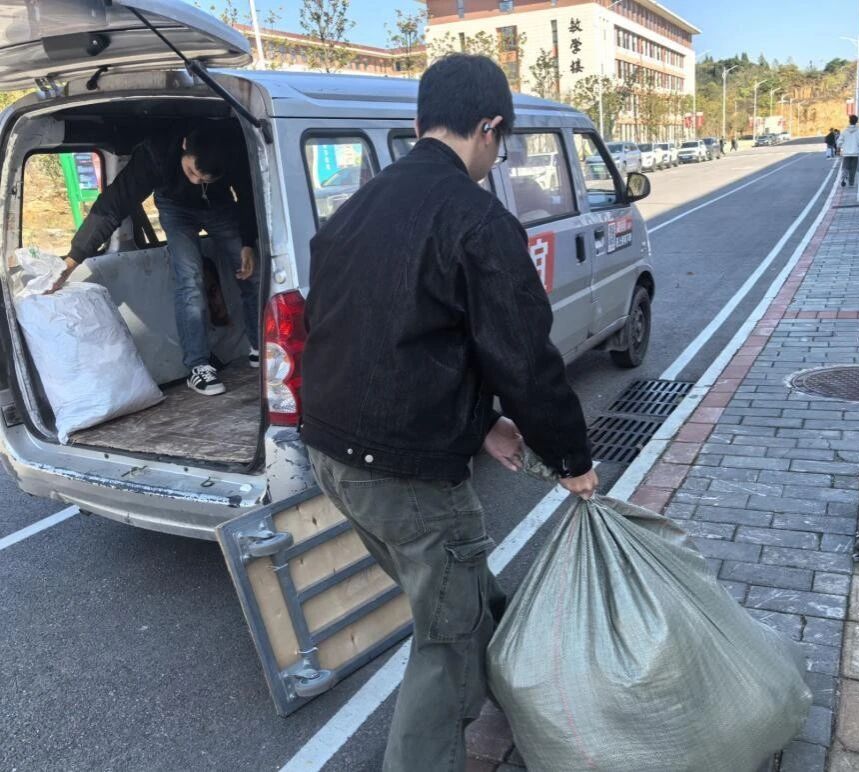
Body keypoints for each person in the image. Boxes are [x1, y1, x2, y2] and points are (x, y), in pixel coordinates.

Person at [301, 53, 597, 772]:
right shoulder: (478, 220)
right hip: (405, 475)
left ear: (418, 123)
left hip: (332, 456)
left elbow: (385, 338)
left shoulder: (355, 209)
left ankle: (533, 697)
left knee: (455, 592)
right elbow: (523, 358)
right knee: (446, 637)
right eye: (502, 142)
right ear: (490, 129)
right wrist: (572, 459)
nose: (497, 157)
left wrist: (481, 423)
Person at [53, 127, 259, 397]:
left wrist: (248, 242)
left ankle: (261, 346)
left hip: (220, 206)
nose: (195, 181)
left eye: (204, 179)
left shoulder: (233, 151)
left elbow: (248, 196)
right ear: (184, 145)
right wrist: (72, 261)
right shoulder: (156, 154)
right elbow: (112, 206)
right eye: (191, 172)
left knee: (252, 272)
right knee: (190, 278)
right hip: (176, 209)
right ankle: (198, 366)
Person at [839, 115, 859, 187]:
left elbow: (839, 141)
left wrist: (841, 147)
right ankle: (851, 182)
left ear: (849, 121)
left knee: (845, 166)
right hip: (855, 152)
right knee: (853, 168)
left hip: (846, 153)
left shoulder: (844, 131)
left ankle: (844, 177)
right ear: (856, 121)